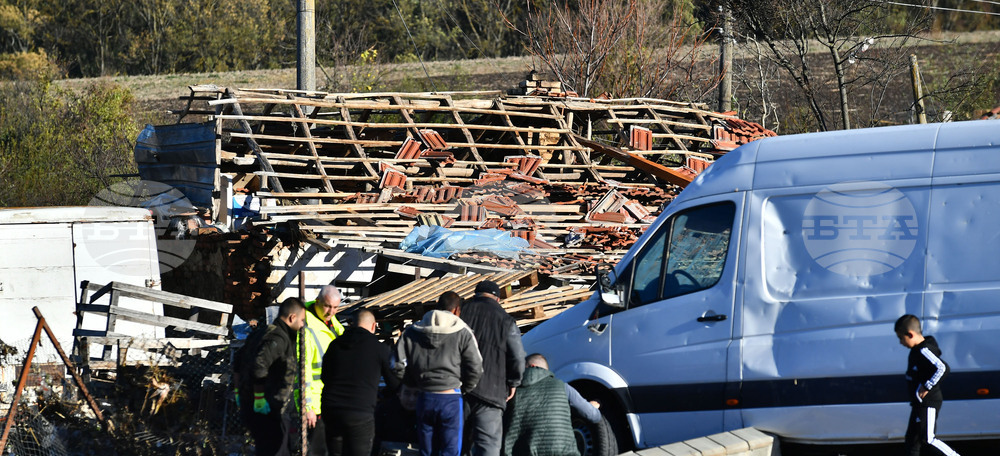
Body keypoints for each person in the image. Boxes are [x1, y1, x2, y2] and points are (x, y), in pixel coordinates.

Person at [394, 291, 483, 456]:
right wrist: (464, 388)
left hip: (425, 398)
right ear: (457, 310)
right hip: (450, 398)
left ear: (437, 306)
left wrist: (413, 383)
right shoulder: (463, 332)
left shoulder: (413, 331)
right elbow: (476, 367)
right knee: (450, 450)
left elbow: (397, 364)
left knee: (426, 450)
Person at [321, 309, 399, 456]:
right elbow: (393, 383)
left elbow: (325, 377)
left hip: (331, 410)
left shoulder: (334, 345)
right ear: (373, 326)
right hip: (360, 412)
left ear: (352, 324)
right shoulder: (379, 348)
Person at [460, 281, 526, 456]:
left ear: (476, 294)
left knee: (456, 444)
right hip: (491, 392)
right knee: (487, 447)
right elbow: (518, 357)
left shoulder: (460, 313)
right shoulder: (506, 320)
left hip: (458, 391)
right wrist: (514, 382)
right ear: (497, 299)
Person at [503, 353, 601, 456]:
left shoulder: (510, 391)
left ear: (528, 366)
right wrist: (593, 405)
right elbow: (593, 416)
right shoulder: (562, 387)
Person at [894, 314, 961, 456]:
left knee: (928, 439)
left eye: (901, 338)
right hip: (918, 404)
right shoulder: (916, 351)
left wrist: (927, 386)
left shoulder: (924, 350)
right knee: (912, 441)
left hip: (928, 402)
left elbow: (943, 368)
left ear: (910, 334)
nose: (900, 342)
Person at [247, 298, 306, 456]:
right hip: (273, 410)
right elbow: (259, 364)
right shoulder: (279, 338)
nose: (302, 325)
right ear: (292, 317)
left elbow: (240, 363)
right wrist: (259, 398)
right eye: (301, 320)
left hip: (268, 409)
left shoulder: (263, 333)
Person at [302, 285, 346, 455]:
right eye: (328, 306)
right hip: (315, 403)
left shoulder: (332, 322)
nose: (331, 312)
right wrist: (308, 406)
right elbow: (302, 370)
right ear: (318, 301)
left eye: (336, 307)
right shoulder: (306, 325)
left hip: (331, 398)